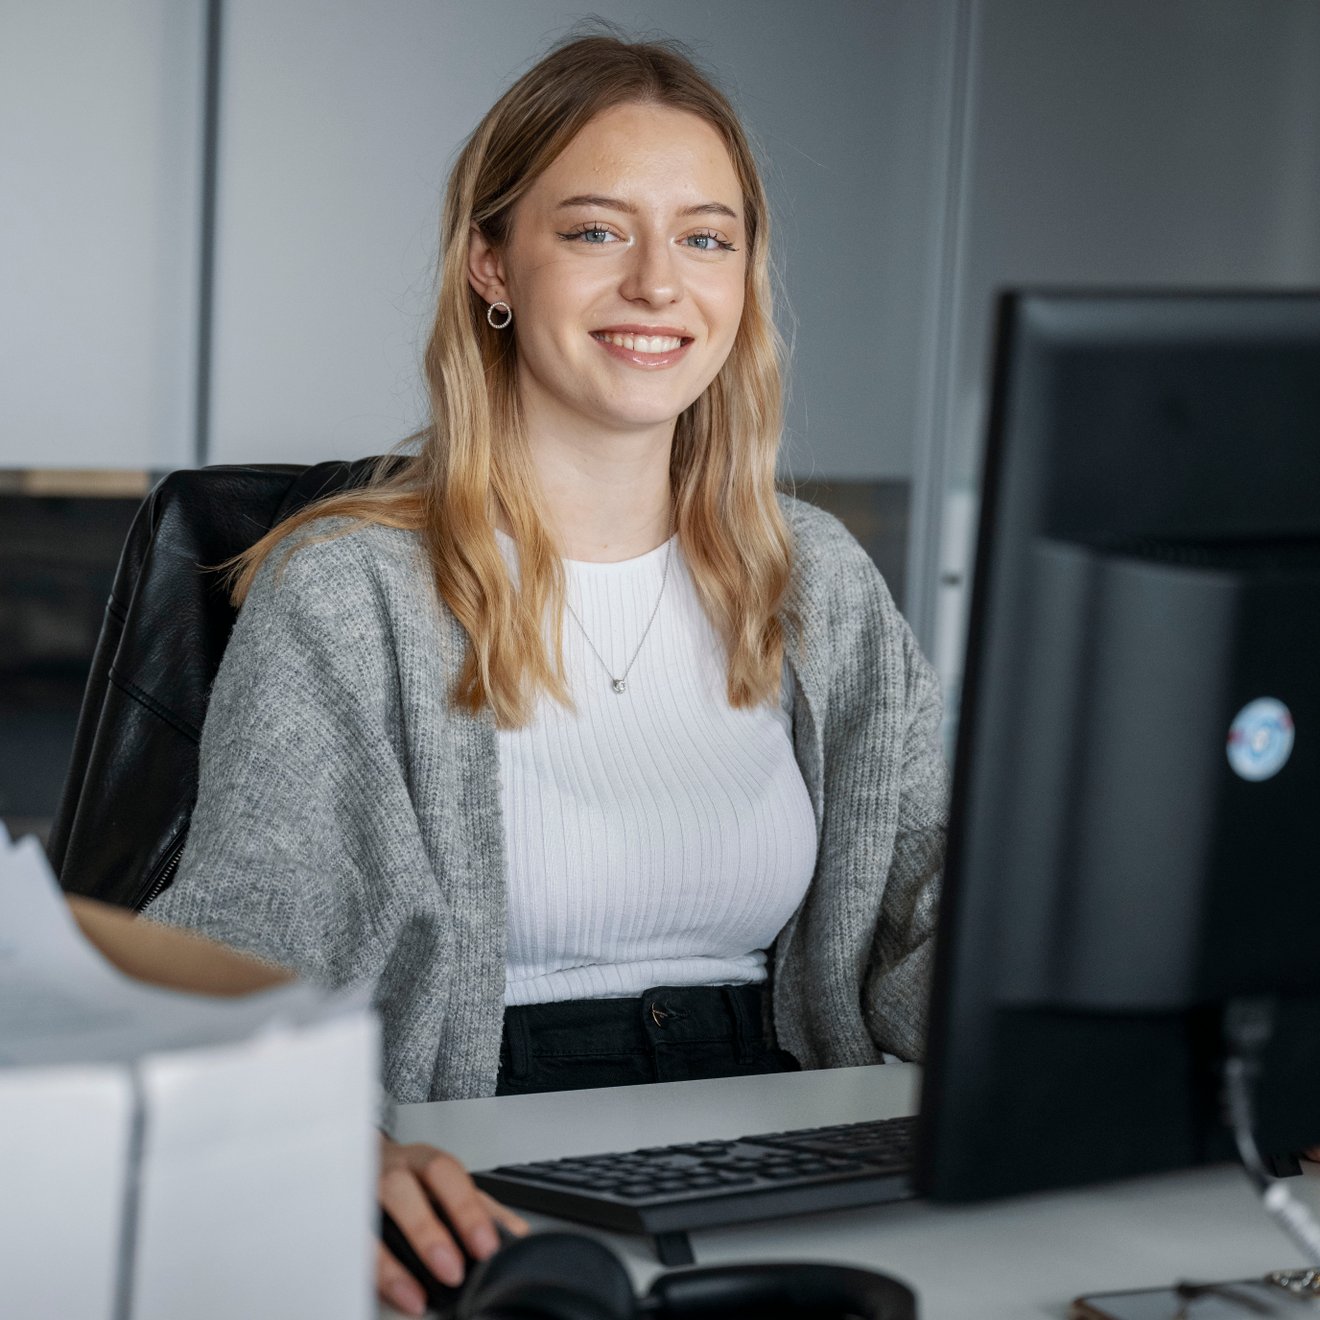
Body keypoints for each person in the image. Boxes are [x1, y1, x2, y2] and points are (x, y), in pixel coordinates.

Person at [144, 32, 947, 1316]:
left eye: (705, 238)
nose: (656, 284)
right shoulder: (357, 591)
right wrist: (308, 1144)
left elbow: (934, 905)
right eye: (592, 232)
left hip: (796, 1121)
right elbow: (252, 939)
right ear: (491, 265)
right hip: (482, 1154)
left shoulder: (817, 580)